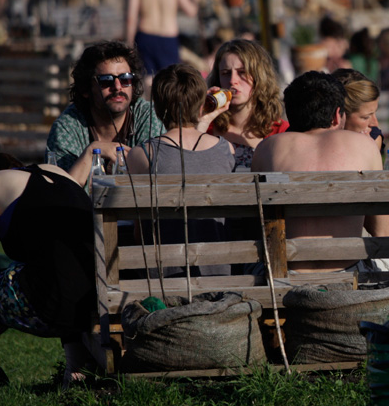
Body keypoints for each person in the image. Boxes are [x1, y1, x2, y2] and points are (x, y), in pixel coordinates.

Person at [0, 154, 96, 386]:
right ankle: (76, 370)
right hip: (93, 299)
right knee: (41, 271)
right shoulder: (57, 173)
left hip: (51, 304)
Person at [251, 71, 389, 249]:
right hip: (348, 268)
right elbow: (382, 231)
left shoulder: (267, 149)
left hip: (284, 271)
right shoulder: (366, 146)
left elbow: (257, 224)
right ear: (337, 115)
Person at [128, 64, 235, 260]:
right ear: (202, 105)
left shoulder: (141, 155)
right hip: (221, 268)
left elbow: (139, 232)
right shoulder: (226, 149)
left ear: (157, 108)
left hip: (164, 271)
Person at [46, 40, 164, 186]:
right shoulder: (66, 127)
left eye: (125, 79)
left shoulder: (149, 116)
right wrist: (91, 152)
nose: (117, 87)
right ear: (86, 88)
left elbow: (157, 178)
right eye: (106, 81)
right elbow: (60, 194)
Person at [206, 38, 288, 171]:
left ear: (259, 76)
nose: (233, 81)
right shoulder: (206, 128)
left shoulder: (281, 132)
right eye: (226, 73)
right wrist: (202, 120)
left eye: (242, 72)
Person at [125, 0, 202, 84]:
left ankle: (150, 105)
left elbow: (131, 18)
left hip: (145, 34)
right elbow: (191, 11)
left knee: (149, 78)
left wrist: (130, 45)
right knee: (170, 79)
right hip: (168, 36)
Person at [333, 68, 383, 150]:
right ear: (340, 116)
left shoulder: (373, 137)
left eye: (374, 113)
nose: (375, 123)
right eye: (366, 117)